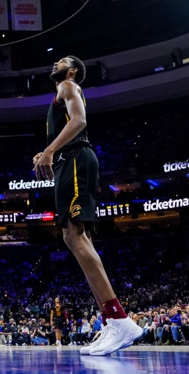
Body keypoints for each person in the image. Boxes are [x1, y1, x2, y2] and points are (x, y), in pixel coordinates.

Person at [33, 56, 142, 356]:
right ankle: (111, 321)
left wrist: (51, 150)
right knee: (79, 239)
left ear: (72, 71)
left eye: (62, 60)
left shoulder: (68, 85)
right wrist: (47, 152)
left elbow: (80, 121)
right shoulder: (61, 92)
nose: (54, 61)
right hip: (71, 160)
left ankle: (119, 319)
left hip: (77, 159)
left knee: (74, 236)